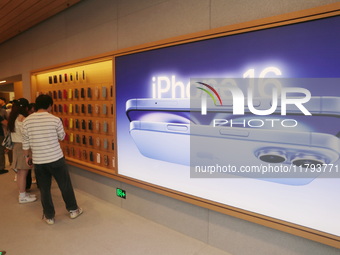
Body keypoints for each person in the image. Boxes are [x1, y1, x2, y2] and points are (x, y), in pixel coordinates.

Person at [22, 94, 83, 225]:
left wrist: (27, 157)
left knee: (44, 189)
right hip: (56, 158)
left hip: (39, 160)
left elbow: (25, 142)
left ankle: (49, 216)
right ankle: (73, 210)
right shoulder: (55, 119)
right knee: (65, 185)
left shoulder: (27, 121)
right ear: (50, 105)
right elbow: (62, 136)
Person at [8, 98, 37, 203]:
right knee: (23, 173)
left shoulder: (13, 118)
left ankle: (22, 193)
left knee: (20, 173)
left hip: (16, 146)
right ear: (25, 107)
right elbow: (27, 135)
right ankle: (22, 196)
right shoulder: (23, 119)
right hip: (23, 147)